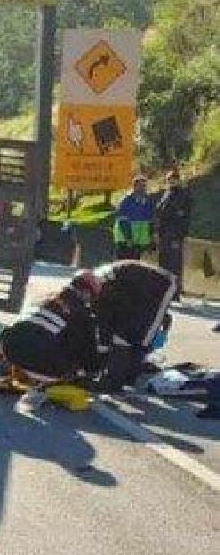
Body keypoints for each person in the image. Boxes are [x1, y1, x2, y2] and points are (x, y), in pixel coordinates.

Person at [0, 270, 105, 387]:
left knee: (0, 338)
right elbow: (88, 351)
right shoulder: (82, 314)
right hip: (44, 362)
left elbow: (20, 328)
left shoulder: (43, 298)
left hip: (10, 347)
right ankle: (40, 378)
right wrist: (94, 370)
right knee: (72, 362)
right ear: (87, 292)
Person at [92, 260, 177, 391]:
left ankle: (128, 375)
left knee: (143, 336)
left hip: (161, 284)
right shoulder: (101, 283)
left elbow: (105, 322)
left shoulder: (102, 290)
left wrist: (103, 351)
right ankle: (125, 374)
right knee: (125, 333)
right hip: (137, 288)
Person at [154, 168, 191, 299]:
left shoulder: (182, 195)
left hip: (175, 235)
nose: (171, 181)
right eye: (169, 179)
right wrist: (157, 232)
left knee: (174, 265)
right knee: (163, 264)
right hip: (164, 235)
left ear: (178, 180)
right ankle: (164, 291)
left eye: (174, 179)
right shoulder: (166, 194)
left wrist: (180, 236)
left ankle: (175, 292)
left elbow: (183, 217)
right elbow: (160, 213)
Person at [113, 174, 156, 261]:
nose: (143, 188)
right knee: (123, 267)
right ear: (134, 186)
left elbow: (151, 222)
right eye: (140, 186)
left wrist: (151, 238)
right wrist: (128, 239)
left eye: (144, 186)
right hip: (124, 242)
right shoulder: (126, 201)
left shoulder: (147, 201)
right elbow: (122, 222)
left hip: (138, 243)